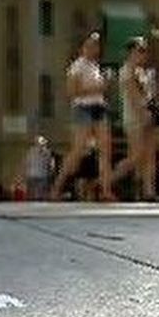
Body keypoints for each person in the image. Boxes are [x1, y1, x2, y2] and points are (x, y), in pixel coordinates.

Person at [50, 31, 116, 201]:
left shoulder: (95, 67)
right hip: (83, 108)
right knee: (78, 150)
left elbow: (100, 88)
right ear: (82, 48)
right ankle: (57, 186)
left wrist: (104, 86)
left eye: (96, 45)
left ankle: (106, 190)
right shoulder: (77, 67)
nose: (94, 48)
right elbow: (71, 92)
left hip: (99, 107)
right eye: (90, 45)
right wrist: (98, 88)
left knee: (105, 150)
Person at [112, 36, 157, 201]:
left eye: (145, 51)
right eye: (140, 51)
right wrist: (143, 113)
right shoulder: (127, 71)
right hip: (134, 118)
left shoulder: (142, 72)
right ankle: (108, 181)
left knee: (149, 155)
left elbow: (148, 95)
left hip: (147, 116)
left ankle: (149, 191)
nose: (143, 55)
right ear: (131, 52)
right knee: (137, 155)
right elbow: (133, 96)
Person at [23, 135, 53, 201]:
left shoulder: (30, 151)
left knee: (33, 193)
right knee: (40, 193)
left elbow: (26, 163)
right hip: (41, 175)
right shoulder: (47, 152)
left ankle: (34, 201)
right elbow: (49, 164)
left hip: (34, 175)